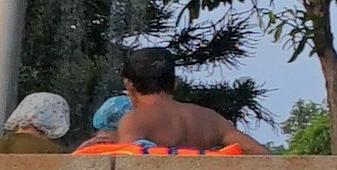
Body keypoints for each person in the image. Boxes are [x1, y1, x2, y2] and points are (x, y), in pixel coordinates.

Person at [106, 46, 263, 152]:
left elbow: (127, 168)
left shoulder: (135, 120)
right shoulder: (210, 119)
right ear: (175, 83)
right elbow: (261, 154)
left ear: (129, 85)